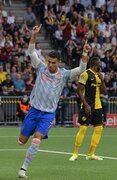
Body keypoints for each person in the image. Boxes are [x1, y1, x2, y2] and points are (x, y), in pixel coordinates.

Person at [18, 24, 91, 178]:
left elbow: (81, 70)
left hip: (48, 114)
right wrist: (33, 35)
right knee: (22, 141)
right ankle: (30, 133)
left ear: (58, 62)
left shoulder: (64, 74)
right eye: (49, 62)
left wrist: (84, 53)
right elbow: (31, 52)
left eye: (53, 62)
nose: (51, 64)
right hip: (34, 110)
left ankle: (23, 169)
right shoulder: (40, 67)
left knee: (37, 139)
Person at [69, 56, 106, 161]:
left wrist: (102, 80)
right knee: (84, 128)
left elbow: (103, 91)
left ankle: (91, 154)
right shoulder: (85, 74)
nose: (101, 65)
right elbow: (79, 90)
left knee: (99, 128)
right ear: (95, 64)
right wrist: (85, 104)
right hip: (87, 105)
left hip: (98, 105)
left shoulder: (99, 75)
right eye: (99, 63)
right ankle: (75, 153)